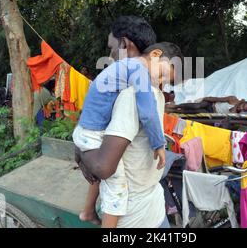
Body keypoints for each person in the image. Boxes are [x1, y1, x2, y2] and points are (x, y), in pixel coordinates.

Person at [73, 42, 183, 228]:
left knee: (106, 173)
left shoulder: (126, 70)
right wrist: (158, 144)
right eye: (163, 75)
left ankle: (88, 210)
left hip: (87, 131)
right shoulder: (138, 77)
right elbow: (147, 113)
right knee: (114, 182)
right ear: (155, 55)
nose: (161, 83)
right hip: (134, 213)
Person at [165, 96, 247, 114]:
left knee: (197, 111)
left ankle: (175, 111)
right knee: (196, 106)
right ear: (245, 103)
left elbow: (231, 111)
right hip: (211, 104)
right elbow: (218, 99)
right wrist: (207, 98)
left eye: (245, 109)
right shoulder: (233, 99)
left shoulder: (237, 113)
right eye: (244, 106)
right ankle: (175, 106)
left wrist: (238, 107)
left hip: (211, 112)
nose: (242, 109)